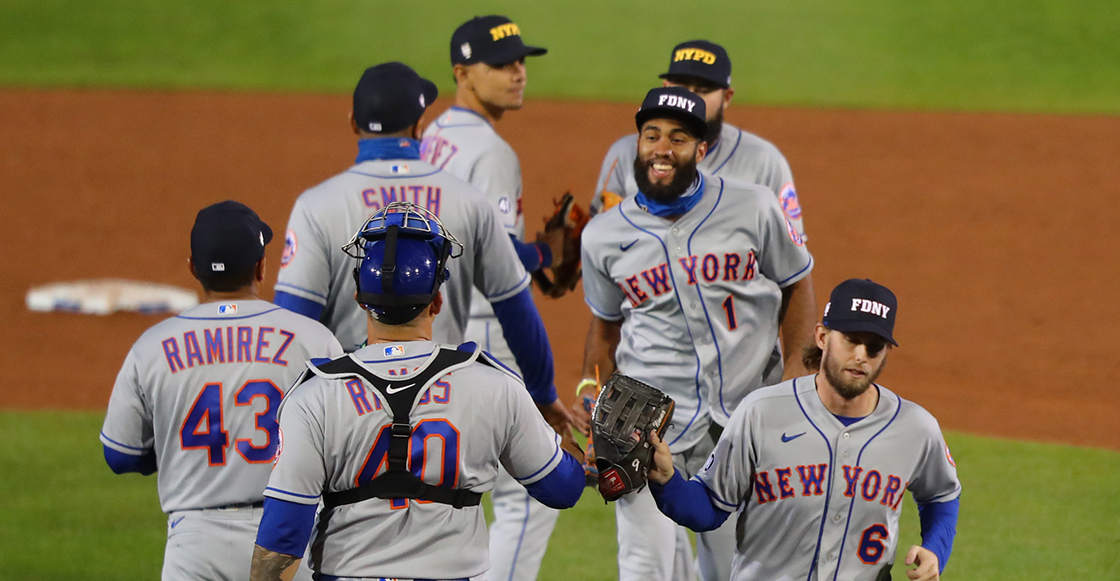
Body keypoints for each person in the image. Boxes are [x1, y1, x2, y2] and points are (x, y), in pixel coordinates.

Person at [250, 202, 585, 581]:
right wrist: (574, 453)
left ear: (360, 298)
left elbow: (282, 534)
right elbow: (562, 490)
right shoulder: (493, 385)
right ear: (437, 301)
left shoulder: (315, 396)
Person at [575, 86, 817, 581]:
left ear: (700, 150)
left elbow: (796, 282)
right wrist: (588, 391)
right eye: (652, 135)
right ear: (637, 144)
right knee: (643, 566)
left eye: (679, 138)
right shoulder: (602, 235)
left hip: (742, 420)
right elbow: (603, 330)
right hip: (643, 422)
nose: (663, 148)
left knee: (730, 569)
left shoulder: (753, 207)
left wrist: (794, 378)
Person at [271, 62, 570, 434]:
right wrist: (543, 393)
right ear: (419, 127)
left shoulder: (317, 205)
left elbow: (291, 326)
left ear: (353, 123)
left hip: (347, 414)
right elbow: (517, 309)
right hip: (443, 413)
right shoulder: (469, 201)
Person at [648, 278, 961, 581]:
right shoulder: (761, 412)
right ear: (822, 337)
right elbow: (708, 507)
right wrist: (666, 480)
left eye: (874, 347)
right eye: (851, 340)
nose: (861, 355)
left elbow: (942, 496)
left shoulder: (915, 428)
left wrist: (935, 550)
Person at [99, 201, 343, 580]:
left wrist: (173, 448)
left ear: (193, 269)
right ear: (261, 267)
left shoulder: (151, 347)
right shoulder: (315, 341)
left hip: (195, 546)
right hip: (289, 538)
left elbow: (120, 455)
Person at [419, 16, 568, 580]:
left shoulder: (430, 134)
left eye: (521, 62)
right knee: (526, 494)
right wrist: (546, 253)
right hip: (486, 333)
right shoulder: (490, 152)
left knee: (444, 487)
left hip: (432, 328)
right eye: (502, 65)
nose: (518, 74)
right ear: (462, 72)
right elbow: (498, 263)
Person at [591, 40, 807, 245]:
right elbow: (599, 235)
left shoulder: (764, 161)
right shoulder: (626, 153)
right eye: (681, 87)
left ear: (727, 97)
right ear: (665, 87)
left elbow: (790, 248)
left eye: (703, 90)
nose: (690, 99)